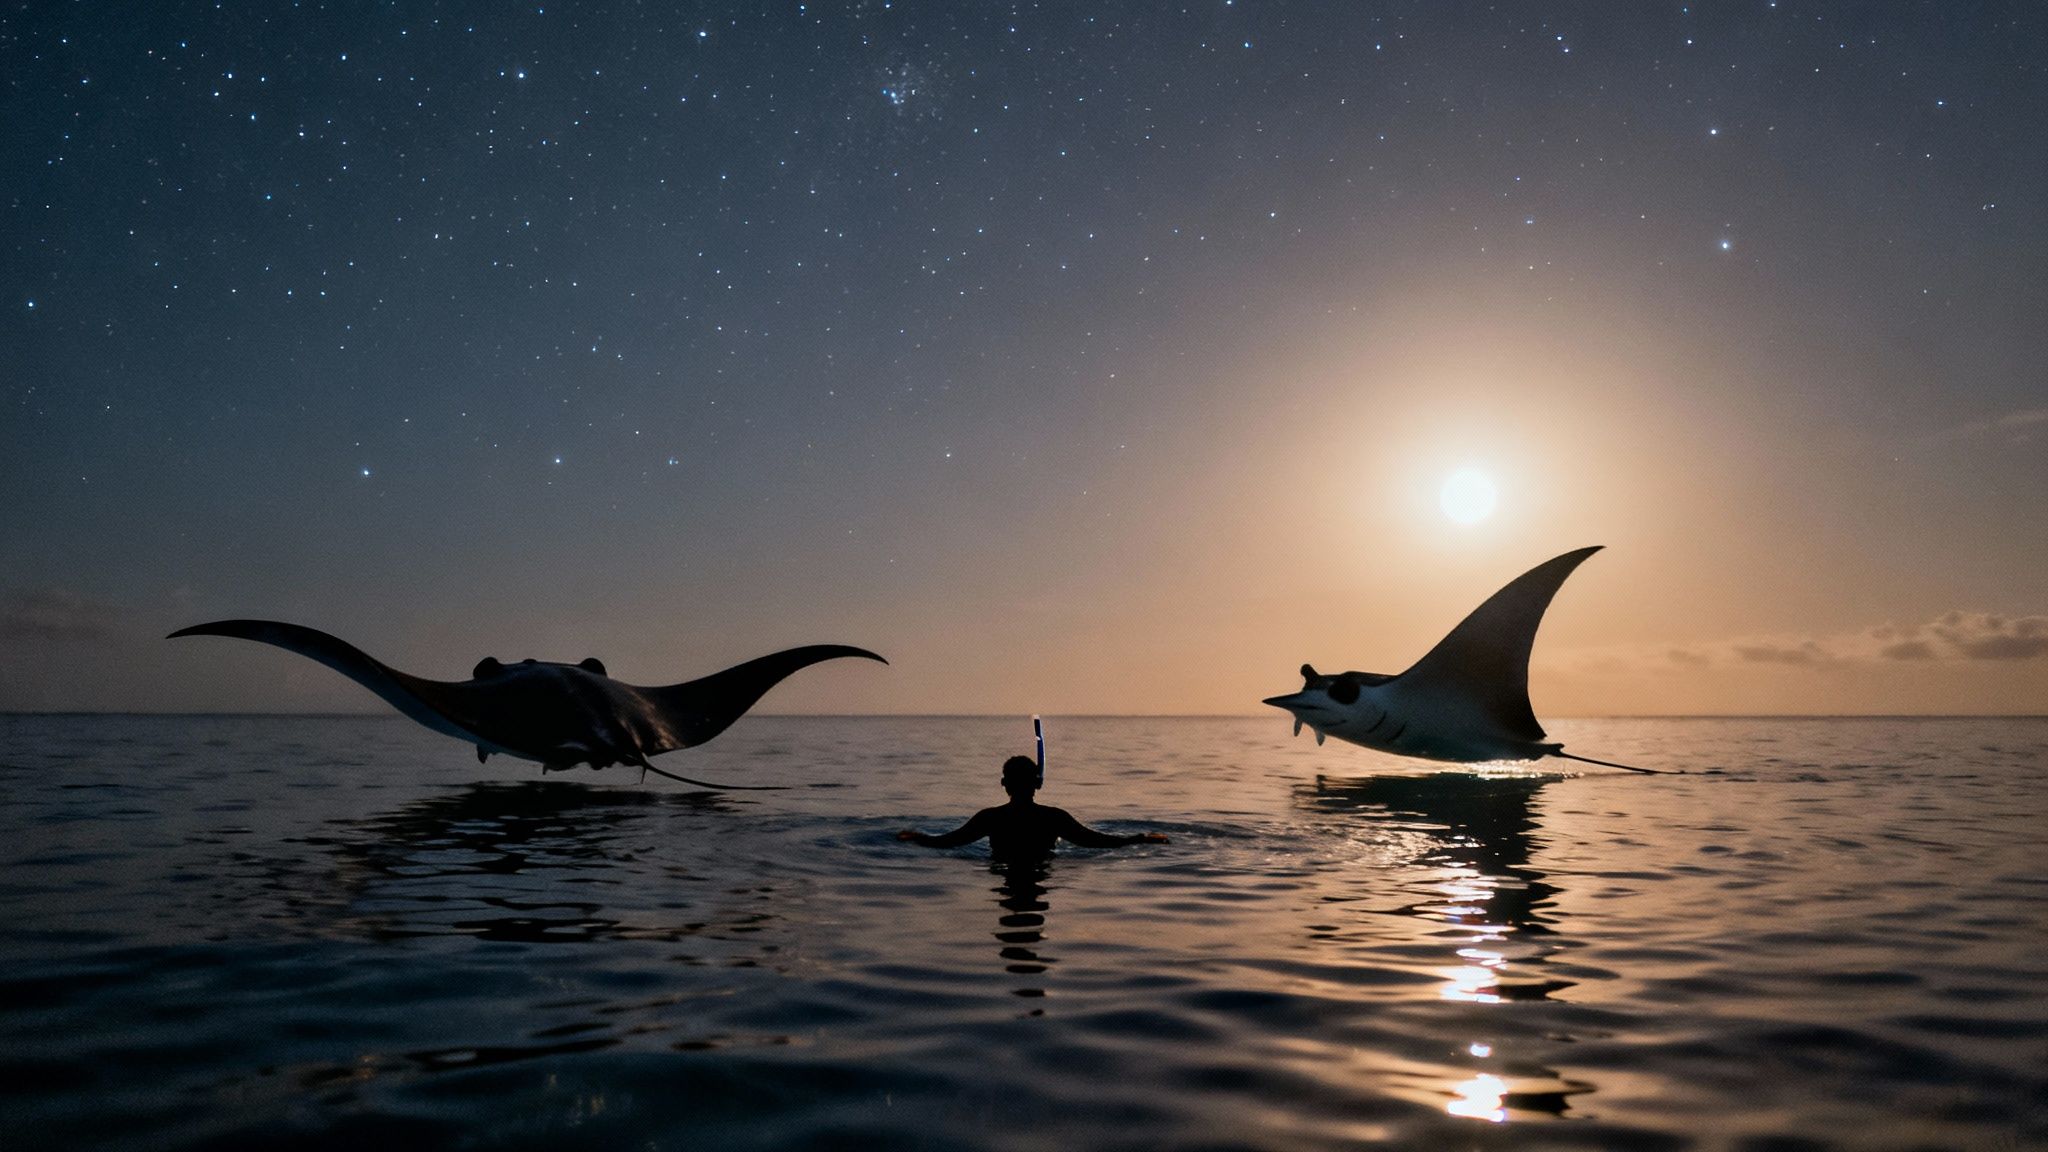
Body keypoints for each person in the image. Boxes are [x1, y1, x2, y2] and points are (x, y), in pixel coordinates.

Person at [897, 755, 1168, 859]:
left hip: (1001, 870)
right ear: (1037, 784)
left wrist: (917, 837)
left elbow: (947, 842)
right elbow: (1097, 842)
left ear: (1004, 784)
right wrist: (1140, 839)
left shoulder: (991, 818)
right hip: (1042, 871)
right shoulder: (1053, 818)